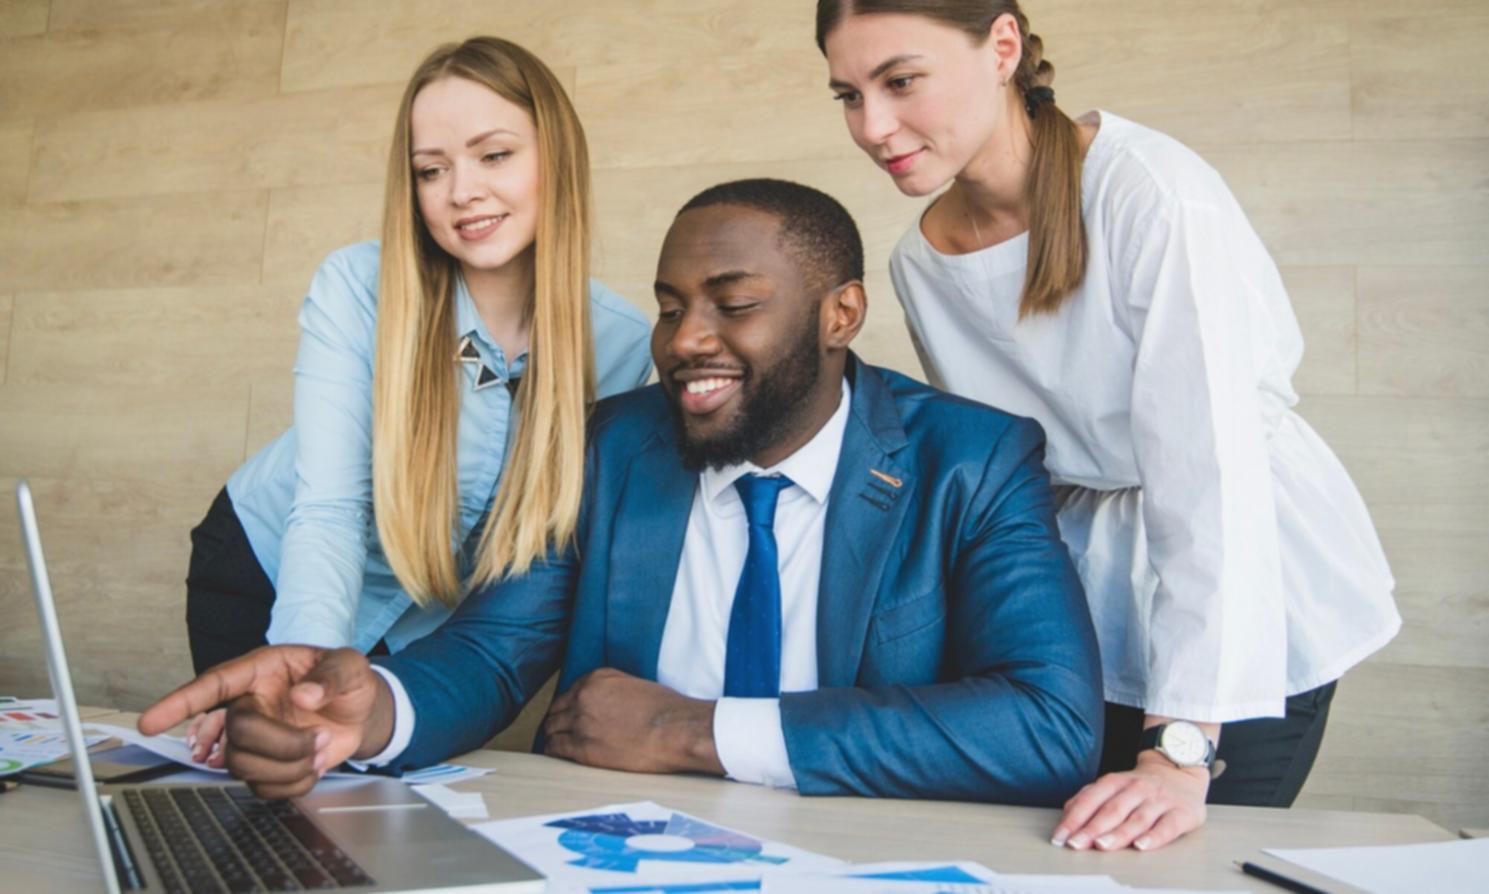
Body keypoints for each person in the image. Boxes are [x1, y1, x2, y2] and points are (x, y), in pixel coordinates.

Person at [142, 178, 1104, 806]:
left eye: (733, 305)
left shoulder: (970, 460)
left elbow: (1049, 725)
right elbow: (492, 647)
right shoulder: (610, 445)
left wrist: (697, 733)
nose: (685, 338)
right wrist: (377, 713)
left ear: (839, 314)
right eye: (671, 304)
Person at [816, 0, 1400, 851]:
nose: (872, 125)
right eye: (847, 95)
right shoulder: (918, 259)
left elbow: (1208, 477)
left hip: (1245, 582)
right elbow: (1004, 475)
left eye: (900, 81)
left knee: (1179, 859)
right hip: (1086, 592)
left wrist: (1178, 746)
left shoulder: (1148, 191)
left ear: (1003, 48)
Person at [180, 37, 652, 763]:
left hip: (428, 623)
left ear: (556, 157)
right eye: (431, 170)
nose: (460, 191)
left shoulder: (620, 342)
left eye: (493, 155)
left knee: (378, 803)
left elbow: (545, 551)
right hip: (269, 571)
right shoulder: (357, 285)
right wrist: (298, 666)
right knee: (274, 780)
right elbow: (330, 509)